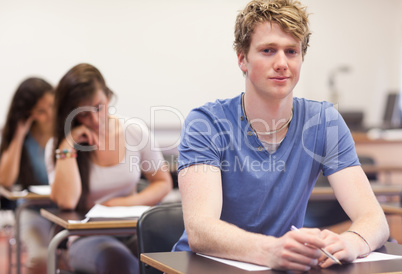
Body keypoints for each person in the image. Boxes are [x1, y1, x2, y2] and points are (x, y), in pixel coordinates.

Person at [172, 0, 389, 271]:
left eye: (291, 51)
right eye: (268, 50)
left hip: (281, 265)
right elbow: (201, 231)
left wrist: (352, 242)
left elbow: (374, 218)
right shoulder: (206, 124)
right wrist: (271, 250)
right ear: (242, 59)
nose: (282, 63)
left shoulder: (323, 121)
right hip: (203, 267)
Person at [45, 63, 172, 274]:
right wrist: (68, 145)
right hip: (86, 238)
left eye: (98, 107)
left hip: (134, 230)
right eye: (84, 114)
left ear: (108, 95)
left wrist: (121, 204)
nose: (94, 120)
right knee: (118, 262)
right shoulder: (59, 147)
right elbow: (67, 201)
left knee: (170, 254)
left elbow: (162, 182)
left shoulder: (133, 131)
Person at [0, 77, 55, 273]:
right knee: (41, 258)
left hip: (68, 210)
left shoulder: (68, 131)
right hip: (33, 211)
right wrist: (18, 134)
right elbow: (5, 180)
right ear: (28, 114)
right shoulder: (23, 138)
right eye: (41, 111)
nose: (50, 114)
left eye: (51, 105)